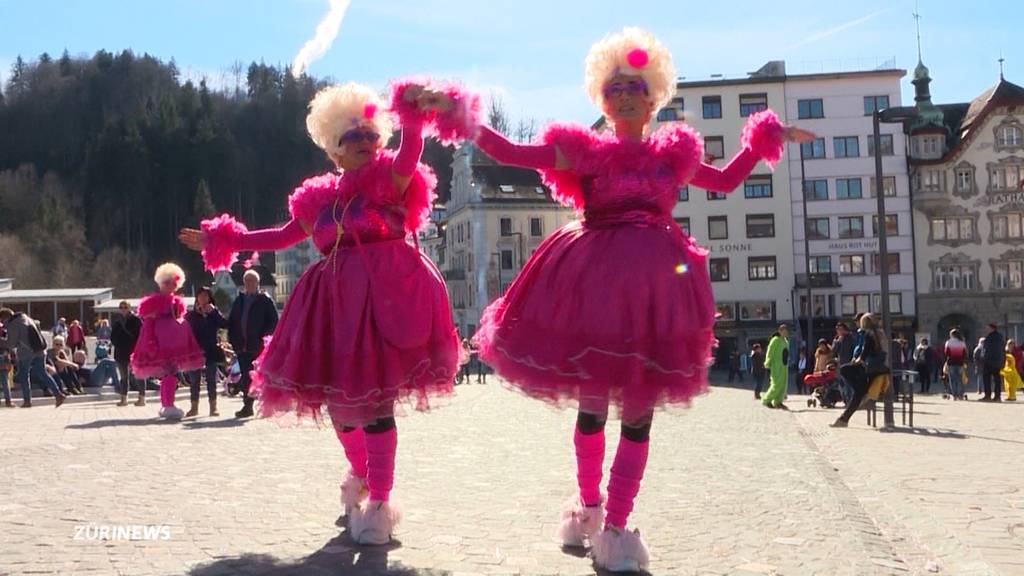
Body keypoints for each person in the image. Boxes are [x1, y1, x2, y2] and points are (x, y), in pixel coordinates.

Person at [456, 27, 813, 572]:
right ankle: (589, 508)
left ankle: (618, 527)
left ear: (653, 99)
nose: (624, 94)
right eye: (615, 87)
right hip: (594, 287)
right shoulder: (583, 151)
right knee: (593, 407)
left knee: (640, 412)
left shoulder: (673, 155)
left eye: (635, 87)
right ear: (603, 97)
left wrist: (767, 137)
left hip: (657, 293)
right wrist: (458, 116)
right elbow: (509, 151)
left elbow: (724, 181)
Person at [180, 79, 467, 545]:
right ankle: (361, 472)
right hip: (334, 306)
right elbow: (279, 237)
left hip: (388, 296)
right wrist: (226, 238)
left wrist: (413, 113)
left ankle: (380, 502)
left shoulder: (391, 179)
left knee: (376, 404)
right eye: (351, 139)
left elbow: (412, 149)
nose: (364, 144)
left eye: (371, 135)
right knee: (340, 408)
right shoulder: (319, 201)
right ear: (333, 152)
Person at [130, 263, 206, 420]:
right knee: (169, 374)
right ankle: (168, 404)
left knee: (170, 374)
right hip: (161, 342)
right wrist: (151, 342)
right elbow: (148, 324)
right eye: (167, 283)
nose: (171, 286)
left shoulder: (176, 302)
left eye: (173, 283)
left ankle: (167, 404)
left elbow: (178, 318)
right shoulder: (154, 302)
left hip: (174, 341)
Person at [224, 269, 278, 418]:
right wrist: (232, 340)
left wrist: (264, 338)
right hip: (242, 346)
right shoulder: (239, 300)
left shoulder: (265, 300)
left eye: (252, 281)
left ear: (257, 283)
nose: (249, 284)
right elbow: (233, 321)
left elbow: (274, 322)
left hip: (257, 346)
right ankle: (248, 405)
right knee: (245, 377)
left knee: (255, 377)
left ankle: (253, 405)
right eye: (247, 281)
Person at [831, 313, 888, 428]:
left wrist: (857, 361)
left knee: (845, 371)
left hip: (870, 369)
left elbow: (865, 353)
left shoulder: (869, 335)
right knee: (858, 392)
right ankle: (844, 419)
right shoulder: (881, 333)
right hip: (880, 368)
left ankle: (844, 419)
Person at [0, 308, 66, 408]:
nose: (3, 323)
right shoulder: (26, 318)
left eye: (1, 320)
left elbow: (11, 344)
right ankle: (58, 394)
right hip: (40, 350)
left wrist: (1, 341)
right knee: (43, 373)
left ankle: (27, 401)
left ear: (5, 317)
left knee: (23, 375)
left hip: (26, 353)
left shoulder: (13, 324)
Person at [184, 286, 229, 417]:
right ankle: (194, 407)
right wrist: (197, 314)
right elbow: (185, 330)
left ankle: (213, 407)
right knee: (194, 381)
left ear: (209, 298)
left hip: (211, 350)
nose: (203, 298)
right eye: (200, 296)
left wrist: (213, 313)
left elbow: (225, 324)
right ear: (196, 298)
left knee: (211, 380)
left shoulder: (213, 313)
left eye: (205, 296)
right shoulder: (191, 315)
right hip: (194, 351)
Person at [111, 301, 144, 406]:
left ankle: (142, 398)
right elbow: (112, 337)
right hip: (120, 353)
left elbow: (141, 335)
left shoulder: (136, 320)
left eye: (125, 307)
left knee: (139, 375)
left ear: (129, 308)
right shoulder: (117, 322)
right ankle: (124, 399)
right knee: (124, 377)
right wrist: (118, 343)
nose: (123, 309)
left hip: (134, 352)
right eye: (121, 307)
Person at [763, 326, 791, 409]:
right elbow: (770, 351)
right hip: (776, 366)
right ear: (780, 331)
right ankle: (767, 400)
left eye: (786, 331)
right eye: (784, 331)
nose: (785, 333)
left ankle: (778, 401)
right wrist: (768, 362)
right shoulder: (775, 340)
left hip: (784, 366)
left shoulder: (785, 341)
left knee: (783, 385)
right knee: (776, 384)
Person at [981, 323, 1006, 402]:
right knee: (997, 379)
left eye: (987, 328)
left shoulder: (990, 338)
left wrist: (984, 359)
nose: (986, 330)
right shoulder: (1000, 337)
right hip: (998, 361)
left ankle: (987, 395)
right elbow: (1003, 349)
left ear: (992, 328)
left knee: (987, 378)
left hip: (990, 361)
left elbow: (987, 350)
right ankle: (997, 396)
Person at [943, 329, 968, 401]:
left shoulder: (948, 342)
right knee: (960, 379)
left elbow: (946, 353)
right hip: (960, 362)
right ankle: (960, 394)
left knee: (952, 379)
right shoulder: (962, 342)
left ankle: (954, 395)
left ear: (951, 335)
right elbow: (965, 353)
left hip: (951, 362)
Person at [0, 318, 13, 407]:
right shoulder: (3, 328)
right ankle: (8, 401)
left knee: (5, 380)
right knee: (4, 380)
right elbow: (8, 343)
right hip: (3, 356)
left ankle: (8, 401)